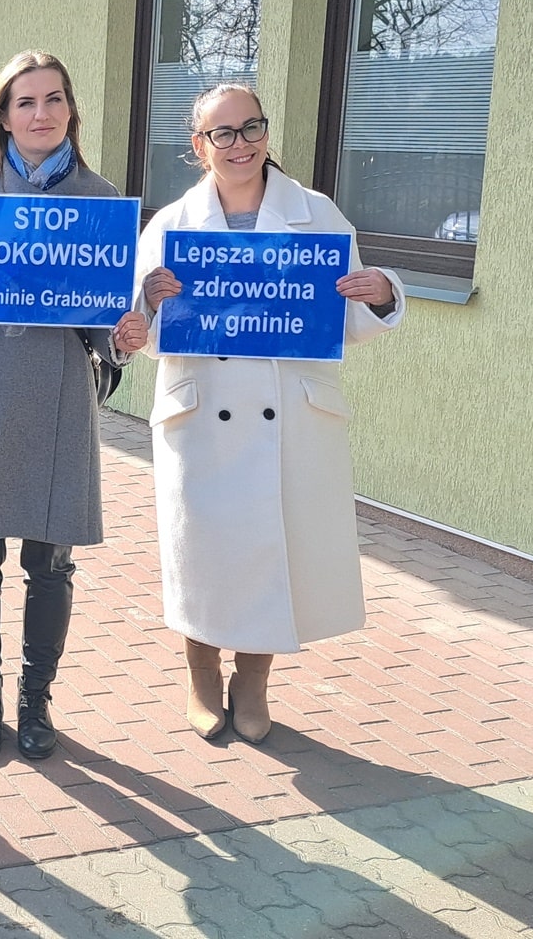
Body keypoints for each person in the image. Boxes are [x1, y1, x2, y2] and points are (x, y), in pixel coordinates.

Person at [134, 82, 403, 744]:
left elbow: (343, 320)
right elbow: (138, 333)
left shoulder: (316, 214)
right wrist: (149, 302)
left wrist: (379, 292)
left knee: (270, 550)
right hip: (201, 417)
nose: (240, 144)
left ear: (265, 132)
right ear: (199, 146)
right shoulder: (172, 224)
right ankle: (201, 674)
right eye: (222, 133)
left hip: (289, 418)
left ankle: (252, 680)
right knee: (203, 555)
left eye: (251, 127)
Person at [0, 50, 149, 761]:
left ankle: (35, 700)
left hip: (57, 398)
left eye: (53, 99)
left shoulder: (102, 200)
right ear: (4, 115)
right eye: (26, 101)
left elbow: (107, 330)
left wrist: (124, 336)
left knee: (51, 564)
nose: (41, 113)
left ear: (71, 111)